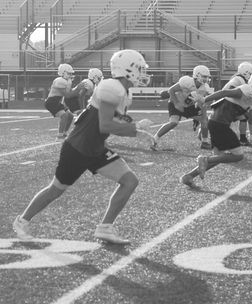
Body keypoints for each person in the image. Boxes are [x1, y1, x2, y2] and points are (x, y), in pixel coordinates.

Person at [13, 49, 155, 244]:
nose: (142, 73)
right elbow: (105, 125)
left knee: (130, 181)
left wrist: (136, 127)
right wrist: (135, 130)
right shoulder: (112, 87)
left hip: (95, 148)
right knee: (56, 189)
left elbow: (113, 118)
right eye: (139, 68)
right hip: (78, 148)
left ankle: (105, 228)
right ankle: (22, 221)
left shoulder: (120, 90)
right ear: (128, 69)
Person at [179, 72, 252, 187]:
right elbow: (224, 92)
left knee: (218, 157)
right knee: (238, 155)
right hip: (220, 124)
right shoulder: (247, 90)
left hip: (217, 124)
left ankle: (189, 176)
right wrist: (205, 99)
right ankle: (204, 159)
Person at [151, 65, 212, 150]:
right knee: (173, 123)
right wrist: (176, 104)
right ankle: (154, 140)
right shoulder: (187, 81)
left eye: (207, 77)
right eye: (204, 76)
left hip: (189, 106)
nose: (206, 79)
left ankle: (205, 142)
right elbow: (171, 90)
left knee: (205, 120)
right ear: (197, 75)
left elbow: (207, 102)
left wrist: (204, 112)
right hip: (176, 102)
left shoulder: (205, 88)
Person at [44, 63, 81, 139]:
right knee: (64, 116)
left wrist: (78, 88)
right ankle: (60, 136)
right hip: (51, 102)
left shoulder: (65, 81)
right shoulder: (59, 81)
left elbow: (70, 92)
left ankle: (64, 134)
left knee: (70, 116)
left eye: (71, 73)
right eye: (69, 73)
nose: (70, 75)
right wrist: (78, 88)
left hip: (57, 101)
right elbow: (68, 95)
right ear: (62, 72)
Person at [225, 62, 252, 146]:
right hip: (225, 103)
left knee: (243, 118)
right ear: (246, 73)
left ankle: (242, 138)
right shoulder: (238, 79)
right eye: (250, 74)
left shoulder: (239, 79)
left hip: (229, 103)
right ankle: (241, 139)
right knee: (225, 122)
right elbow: (231, 89)